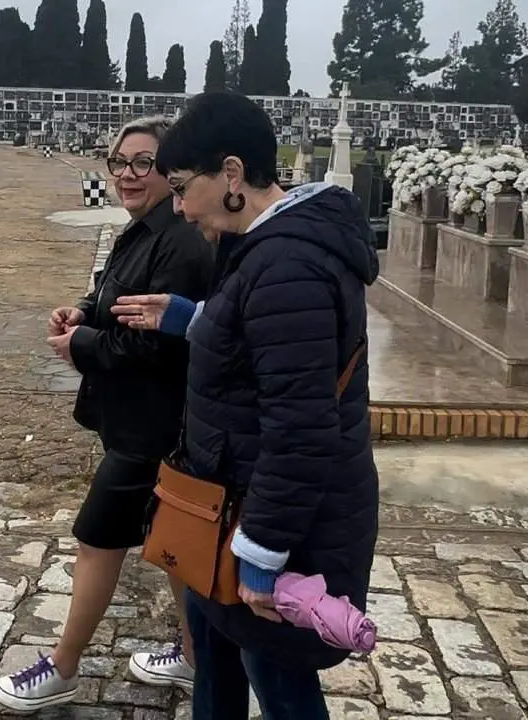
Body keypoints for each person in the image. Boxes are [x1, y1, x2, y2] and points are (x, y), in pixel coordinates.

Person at [109, 92, 381, 720]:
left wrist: (262, 550)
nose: (177, 206)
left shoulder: (290, 263)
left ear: (231, 175)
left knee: (279, 684)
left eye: (181, 187)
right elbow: (264, 348)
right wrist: (193, 319)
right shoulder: (265, 245)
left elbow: (301, 426)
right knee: (216, 660)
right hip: (227, 509)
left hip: (273, 522)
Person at [0, 116, 215, 712]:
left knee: (97, 540)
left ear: (171, 172)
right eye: (120, 162)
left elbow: (160, 344)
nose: (127, 175)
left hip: (154, 425)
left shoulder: (181, 240)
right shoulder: (144, 229)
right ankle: (195, 657)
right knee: (170, 542)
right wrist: (83, 313)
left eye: (144, 163)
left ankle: (62, 667)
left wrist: (80, 347)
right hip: (140, 419)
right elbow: (115, 298)